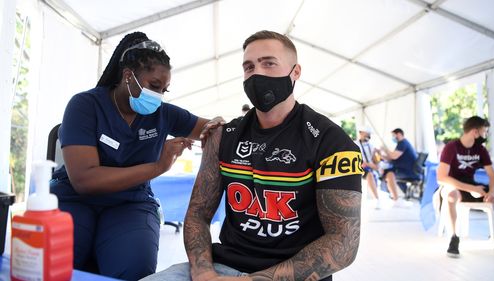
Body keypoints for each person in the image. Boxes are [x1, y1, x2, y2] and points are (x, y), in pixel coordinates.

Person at [142, 30, 362, 281]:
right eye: (249, 66)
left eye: (269, 63)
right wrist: (204, 272)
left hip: (293, 274)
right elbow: (198, 215)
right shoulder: (223, 136)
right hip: (222, 267)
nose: (257, 73)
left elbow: (343, 242)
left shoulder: (331, 141)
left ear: (295, 72)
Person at [50, 32, 222, 280]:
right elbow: (85, 181)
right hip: (74, 198)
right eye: (154, 86)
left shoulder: (163, 114)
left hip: (130, 203)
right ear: (128, 76)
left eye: (164, 89)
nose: (159, 95)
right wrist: (158, 167)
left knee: (132, 269)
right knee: (55, 265)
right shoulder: (85, 105)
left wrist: (219, 125)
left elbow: (212, 130)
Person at [436, 116, 494, 258]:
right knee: (452, 195)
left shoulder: (480, 150)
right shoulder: (451, 147)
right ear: (475, 132)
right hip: (452, 185)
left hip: (471, 185)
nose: (485, 135)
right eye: (485, 131)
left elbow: (493, 175)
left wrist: (493, 192)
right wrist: (471, 189)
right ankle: (454, 237)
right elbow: (441, 177)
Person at [380, 128, 418, 204]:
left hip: (408, 171)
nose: (393, 137)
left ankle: (395, 198)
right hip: (407, 169)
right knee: (387, 172)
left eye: (393, 135)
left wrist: (385, 150)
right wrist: (382, 156)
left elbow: (394, 156)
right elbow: (392, 157)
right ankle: (399, 195)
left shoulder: (402, 143)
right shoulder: (402, 143)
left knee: (389, 174)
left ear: (399, 134)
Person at [354, 126, 381, 208]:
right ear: (361, 133)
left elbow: (375, 161)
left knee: (373, 173)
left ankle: (377, 198)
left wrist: (378, 154)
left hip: (369, 167)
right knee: (369, 174)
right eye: (367, 133)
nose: (368, 135)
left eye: (369, 134)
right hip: (359, 167)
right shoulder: (355, 144)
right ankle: (376, 199)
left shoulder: (371, 146)